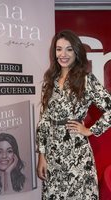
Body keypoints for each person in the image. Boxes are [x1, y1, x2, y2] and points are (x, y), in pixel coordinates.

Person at [36, 29, 111, 199]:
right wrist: (42, 155)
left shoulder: (86, 80)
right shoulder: (49, 81)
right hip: (53, 154)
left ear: (77, 52)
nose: (63, 54)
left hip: (77, 154)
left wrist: (90, 130)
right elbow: (44, 120)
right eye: (59, 49)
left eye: (69, 49)